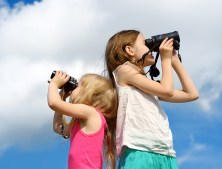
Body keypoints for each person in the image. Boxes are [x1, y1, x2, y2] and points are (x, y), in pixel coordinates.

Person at [104, 30, 199, 169]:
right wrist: (165, 60)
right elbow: (166, 90)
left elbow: (192, 94)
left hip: (165, 152)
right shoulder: (123, 71)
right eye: (145, 42)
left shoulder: (147, 84)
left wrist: (175, 61)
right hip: (139, 150)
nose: (151, 48)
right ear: (129, 50)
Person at [47, 71, 118, 169]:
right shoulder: (83, 120)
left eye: (78, 85)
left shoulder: (91, 113)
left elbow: (53, 103)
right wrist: (62, 96)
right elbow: (58, 127)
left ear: (89, 93)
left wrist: (54, 84)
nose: (74, 88)